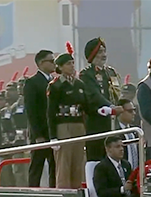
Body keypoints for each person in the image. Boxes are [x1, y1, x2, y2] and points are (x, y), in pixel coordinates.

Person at [47, 42, 114, 189]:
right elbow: (51, 112)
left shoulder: (79, 84)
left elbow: (87, 106)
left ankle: (76, 192)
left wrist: (100, 111)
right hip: (63, 125)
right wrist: (53, 136)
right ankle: (64, 194)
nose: (72, 66)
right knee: (64, 164)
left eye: (72, 63)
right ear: (60, 67)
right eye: (68, 64)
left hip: (79, 125)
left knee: (77, 162)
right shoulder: (56, 85)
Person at [79, 37, 124, 162]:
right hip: (96, 121)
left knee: (116, 157)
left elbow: (117, 93)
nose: (103, 55)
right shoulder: (86, 74)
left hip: (114, 121)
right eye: (99, 52)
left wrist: (121, 105)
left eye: (104, 51)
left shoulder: (111, 72)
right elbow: (94, 95)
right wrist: (110, 107)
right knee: (97, 158)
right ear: (92, 54)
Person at [25, 50, 56, 188]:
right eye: (51, 61)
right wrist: (37, 134)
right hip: (40, 132)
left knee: (54, 165)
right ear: (41, 63)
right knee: (37, 165)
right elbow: (31, 111)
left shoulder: (55, 81)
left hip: (53, 132)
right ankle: (32, 192)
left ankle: (54, 191)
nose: (54, 64)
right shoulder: (32, 82)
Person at [7, 69, 29, 187]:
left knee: (28, 168)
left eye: (23, 84)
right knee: (17, 170)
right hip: (17, 141)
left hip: (30, 140)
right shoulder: (14, 106)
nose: (20, 87)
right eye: (19, 84)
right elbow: (9, 123)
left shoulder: (32, 102)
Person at [0, 83, 16, 186]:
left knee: (14, 172)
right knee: (4, 173)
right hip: (1, 146)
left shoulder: (11, 109)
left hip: (13, 143)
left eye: (1, 100)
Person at [116, 98, 139, 170]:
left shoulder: (136, 131)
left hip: (136, 173)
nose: (134, 113)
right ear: (120, 112)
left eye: (134, 110)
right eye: (130, 111)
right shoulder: (115, 132)